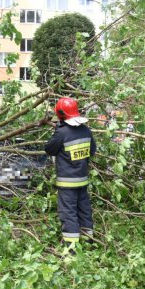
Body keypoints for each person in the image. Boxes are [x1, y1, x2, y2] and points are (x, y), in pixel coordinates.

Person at [44, 97, 96, 248]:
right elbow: (91, 151)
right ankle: (88, 243)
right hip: (82, 180)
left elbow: (49, 149)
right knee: (84, 211)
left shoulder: (61, 133)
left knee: (69, 213)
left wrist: (58, 132)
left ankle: (71, 249)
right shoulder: (86, 130)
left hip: (67, 182)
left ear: (60, 114)